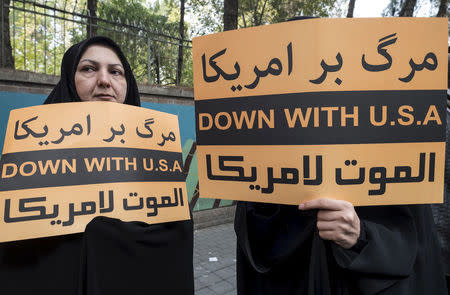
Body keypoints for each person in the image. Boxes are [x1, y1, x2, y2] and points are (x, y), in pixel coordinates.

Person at [234, 19, 448, 295]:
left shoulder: (390, 135)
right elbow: (254, 235)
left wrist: (361, 236)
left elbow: (412, 239)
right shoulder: (262, 136)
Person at [0, 36, 194, 295]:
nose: (104, 80)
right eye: (89, 69)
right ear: (69, 78)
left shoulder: (157, 156)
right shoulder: (27, 159)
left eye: (116, 72)